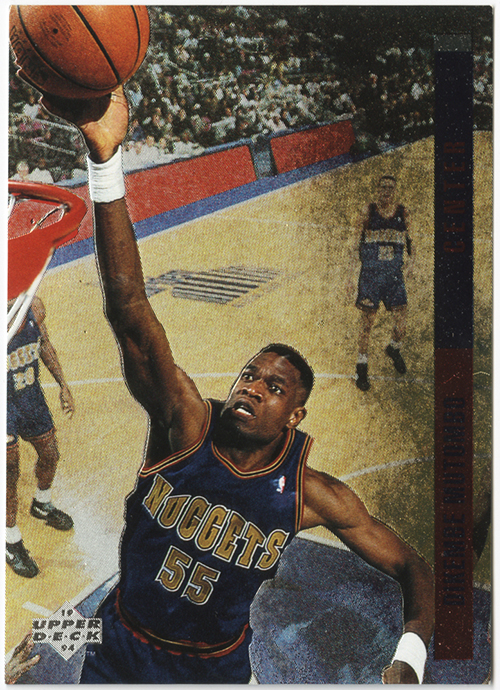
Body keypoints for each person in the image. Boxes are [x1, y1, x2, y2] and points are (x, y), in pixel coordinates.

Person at [41, 88, 433, 685]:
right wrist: (105, 161)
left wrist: (410, 658)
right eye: (249, 374)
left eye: (274, 387)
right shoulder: (186, 422)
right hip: (119, 643)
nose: (252, 386)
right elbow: (129, 308)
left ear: (294, 417)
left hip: (212, 669)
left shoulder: (309, 494)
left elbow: (411, 565)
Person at [7, 296, 75, 578]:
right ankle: (10, 539)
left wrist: (63, 384)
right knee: (9, 468)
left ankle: (42, 504)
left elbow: (44, 344)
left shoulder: (34, 307)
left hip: (30, 395)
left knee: (50, 453)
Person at [348, 175, 415, 391]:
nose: (386, 191)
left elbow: (411, 240)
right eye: (383, 187)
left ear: (395, 191)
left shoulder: (403, 213)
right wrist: (350, 277)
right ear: (377, 189)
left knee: (401, 325)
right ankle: (362, 367)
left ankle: (393, 349)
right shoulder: (368, 212)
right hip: (371, 277)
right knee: (367, 324)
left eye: (390, 188)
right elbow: (354, 245)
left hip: (394, 277)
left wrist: (412, 262)